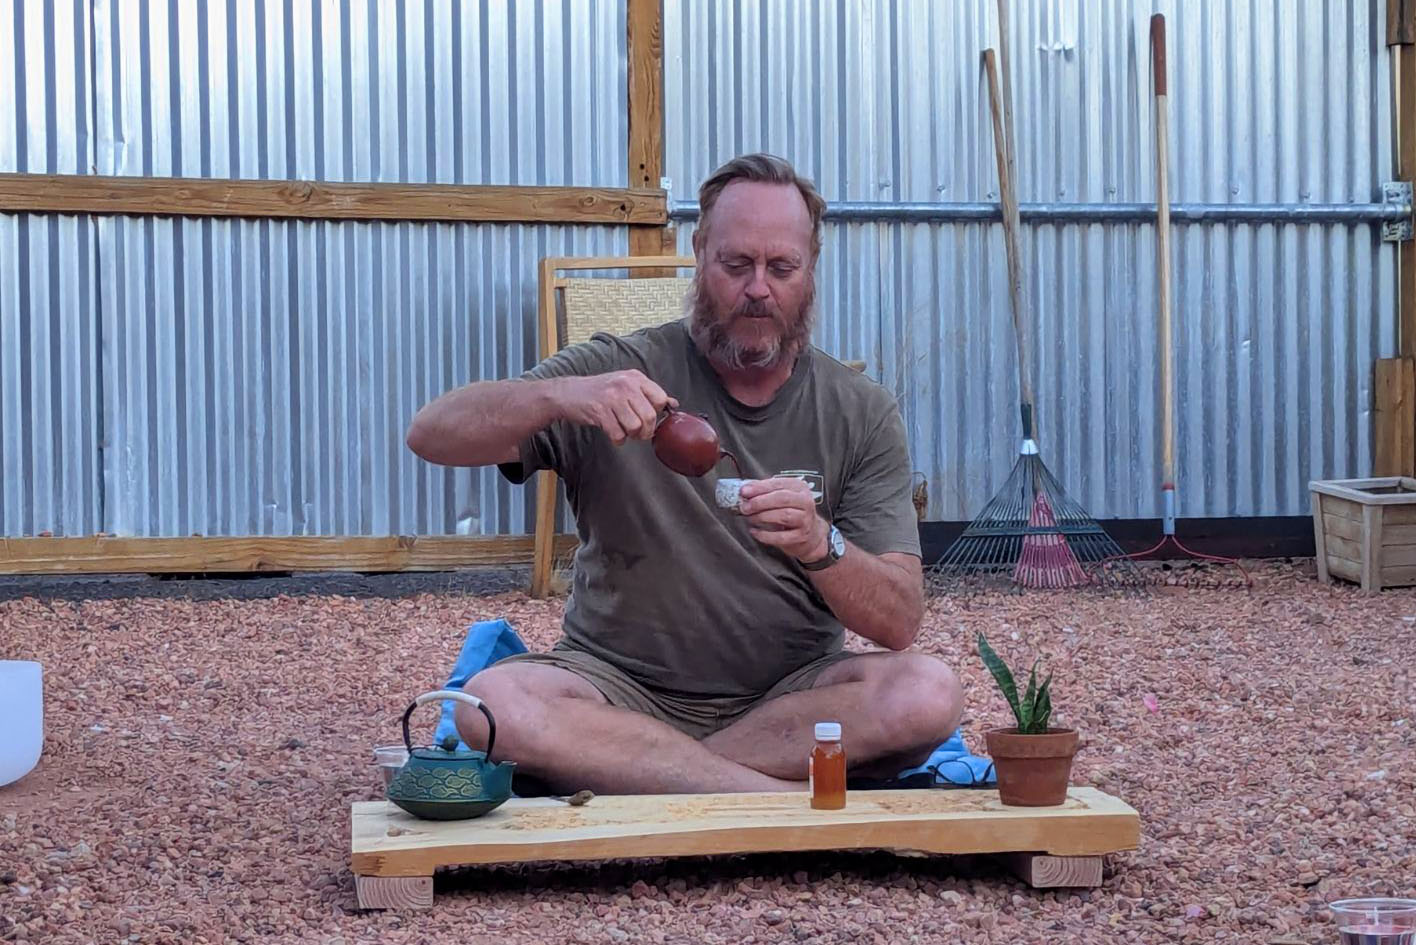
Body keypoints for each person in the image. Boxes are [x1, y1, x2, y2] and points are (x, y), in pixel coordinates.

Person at [406, 153, 963, 794]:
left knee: (928, 692)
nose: (759, 288)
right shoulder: (620, 370)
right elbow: (431, 434)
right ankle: (768, 799)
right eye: (736, 265)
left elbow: (898, 622)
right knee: (494, 702)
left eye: (781, 268)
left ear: (811, 269)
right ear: (699, 252)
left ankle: (648, 772)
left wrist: (821, 543)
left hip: (787, 703)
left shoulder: (859, 411)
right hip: (614, 687)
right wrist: (561, 396)